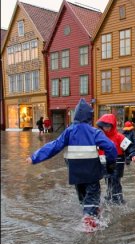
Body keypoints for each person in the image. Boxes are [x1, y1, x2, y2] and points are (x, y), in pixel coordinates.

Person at [25, 99, 117, 231]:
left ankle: (90, 214)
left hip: (76, 176)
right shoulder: (94, 132)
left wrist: (34, 157)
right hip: (92, 174)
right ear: (89, 116)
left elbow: (54, 146)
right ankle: (89, 222)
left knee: (84, 199)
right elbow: (111, 148)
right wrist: (110, 163)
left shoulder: (69, 131)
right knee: (92, 196)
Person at [96, 114, 135, 205]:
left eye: (108, 126)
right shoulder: (100, 137)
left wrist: (133, 155)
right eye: (104, 126)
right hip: (105, 162)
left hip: (117, 162)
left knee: (115, 180)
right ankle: (109, 196)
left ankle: (118, 199)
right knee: (108, 180)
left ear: (113, 126)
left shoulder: (119, 136)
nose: (106, 128)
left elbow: (129, 147)